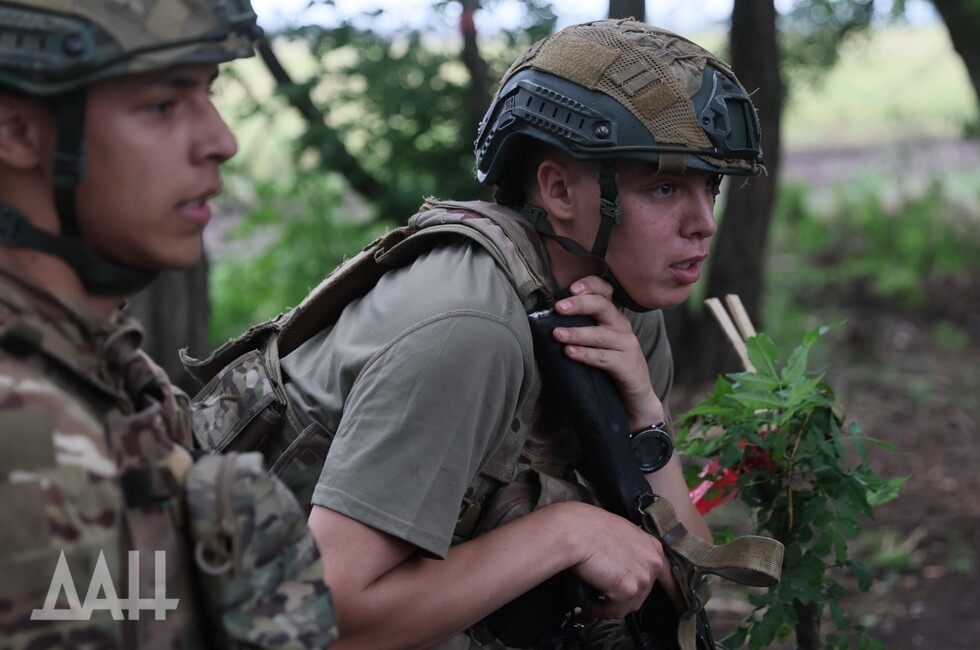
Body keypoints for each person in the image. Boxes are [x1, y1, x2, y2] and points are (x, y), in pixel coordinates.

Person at [274, 18, 763, 649]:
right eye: (664, 187)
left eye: (710, 186)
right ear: (559, 190)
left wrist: (644, 417)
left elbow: (685, 587)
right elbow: (329, 617)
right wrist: (566, 533)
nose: (703, 224)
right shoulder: (467, 328)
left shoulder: (621, 306)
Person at [0, 1, 264, 647]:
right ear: (17, 131)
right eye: (162, 105)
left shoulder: (107, 366)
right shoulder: (21, 427)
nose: (221, 141)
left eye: (208, 92)